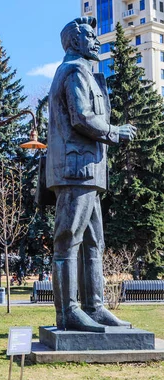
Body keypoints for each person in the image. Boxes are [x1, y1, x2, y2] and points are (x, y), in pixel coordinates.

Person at [47, 16, 136, 331]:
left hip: (89, 173)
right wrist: (115, 131)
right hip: (75, 171)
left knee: (93, 241)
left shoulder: (84, 72)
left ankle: (94, 307)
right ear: (73, 41)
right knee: (68, 240)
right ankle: (68, 313)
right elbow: (82, 117)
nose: (96, 40)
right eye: (89, 35)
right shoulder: (73, 72)